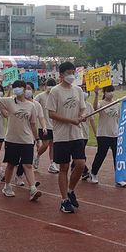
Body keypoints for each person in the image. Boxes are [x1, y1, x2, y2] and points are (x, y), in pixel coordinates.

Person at [0, 77, 42, 201]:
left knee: (27, 164)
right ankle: (7, 186)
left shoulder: (31, 106)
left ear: (24, 89)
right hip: (12, 139)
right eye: (15, 87)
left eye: (20, 87)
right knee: (11, 164)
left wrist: (37, 139)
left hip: (27, 140)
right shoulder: (9, 101)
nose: (18, 89)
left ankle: (33, 189)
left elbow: (33, 124)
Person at [46, 61, 87, 213]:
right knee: (63, 167)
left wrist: (82, 116)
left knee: (80, 164)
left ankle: (70, 191)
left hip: (77, 134)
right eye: (68, 73)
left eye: (73, 72)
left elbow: (83, 108)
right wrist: (71, 120)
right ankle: (64, 200)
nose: (71, 75)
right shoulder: (55, 91)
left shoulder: (77, 90)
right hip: (62, 135)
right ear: (61, 75)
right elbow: (51, 113)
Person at [89, 85, 126, 187]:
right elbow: (96, 107)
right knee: (101, 155)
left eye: (112, 91)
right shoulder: (102, 103)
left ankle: (119, 178)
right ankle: (93, 173)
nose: (111, 93)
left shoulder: (117, 104)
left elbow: (117, 118)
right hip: (103, 134)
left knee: (117, 156)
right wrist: (96, 94)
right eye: (109, 91)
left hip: (115, 134)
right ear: (104, 92)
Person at [33, 78, 58, 173]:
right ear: (45, 86)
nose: (51, 87)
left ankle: (52, 164)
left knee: (52, 145)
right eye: (49, 85)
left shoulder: (56, 97)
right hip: (43, 125)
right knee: (46, 144)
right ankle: (37, 156)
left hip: (54, 125)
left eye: (53, 85)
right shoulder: (41, 96)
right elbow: (33, 103)